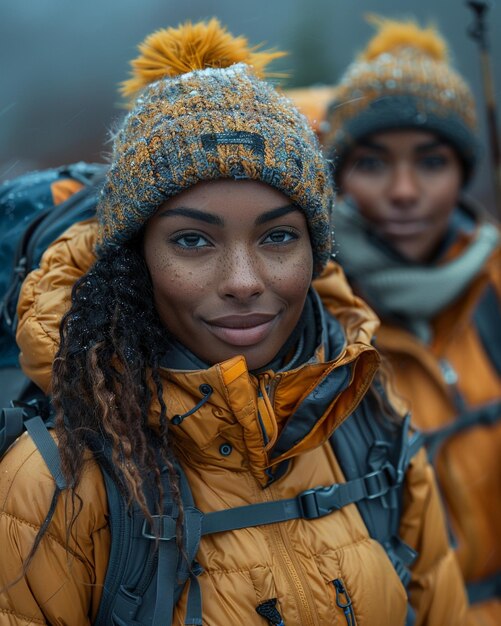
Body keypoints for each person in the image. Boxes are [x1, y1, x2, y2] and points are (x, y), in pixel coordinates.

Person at [0, 18, 469, 626]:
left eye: (278, 236)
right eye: (194, 241)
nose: (245, 280)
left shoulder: (368, 421)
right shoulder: (54, 486)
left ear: (316, 250)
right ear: (136, 259)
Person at [323, 16, 501, 626]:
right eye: (372, 164)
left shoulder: (495, 285)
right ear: (339, 178)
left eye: (430, 162)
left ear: (463, 173)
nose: (403, 191)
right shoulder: (310, 316)